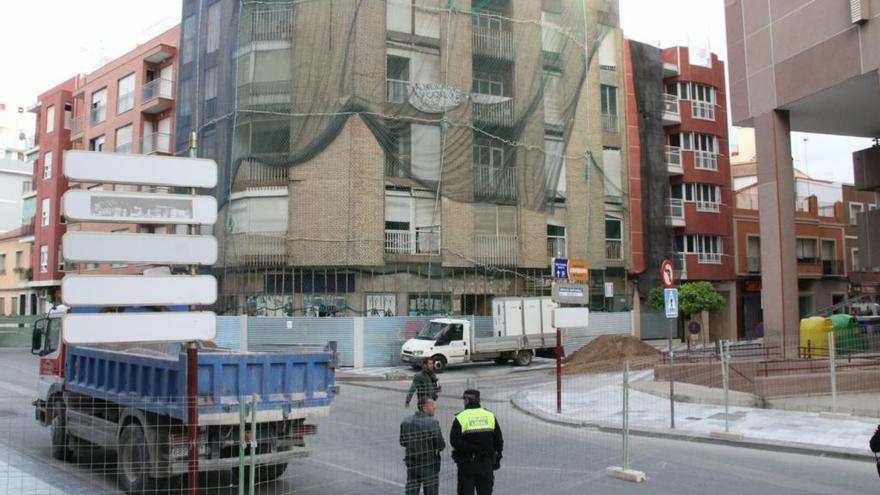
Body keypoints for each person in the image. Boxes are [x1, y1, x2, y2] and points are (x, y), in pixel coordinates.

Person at [450, 389, 503, 495]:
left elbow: (454, 441)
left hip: (467, 462)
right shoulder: (490, 416)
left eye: (464, 400)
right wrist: (497, 459)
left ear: (467, 400)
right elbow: (499, 441)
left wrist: (473, 449)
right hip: (486, 462)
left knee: (466, 491)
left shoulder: (461, 417)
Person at [400, 397, 445, 495]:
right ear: (424, 408)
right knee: (431, 492)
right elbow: (441, 445)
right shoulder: (432, 423)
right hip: (429, 465)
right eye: (432, 405)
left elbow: (402, 442)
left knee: (411, 491)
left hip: (412, 464)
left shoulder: (406, 421)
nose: (434, 408)